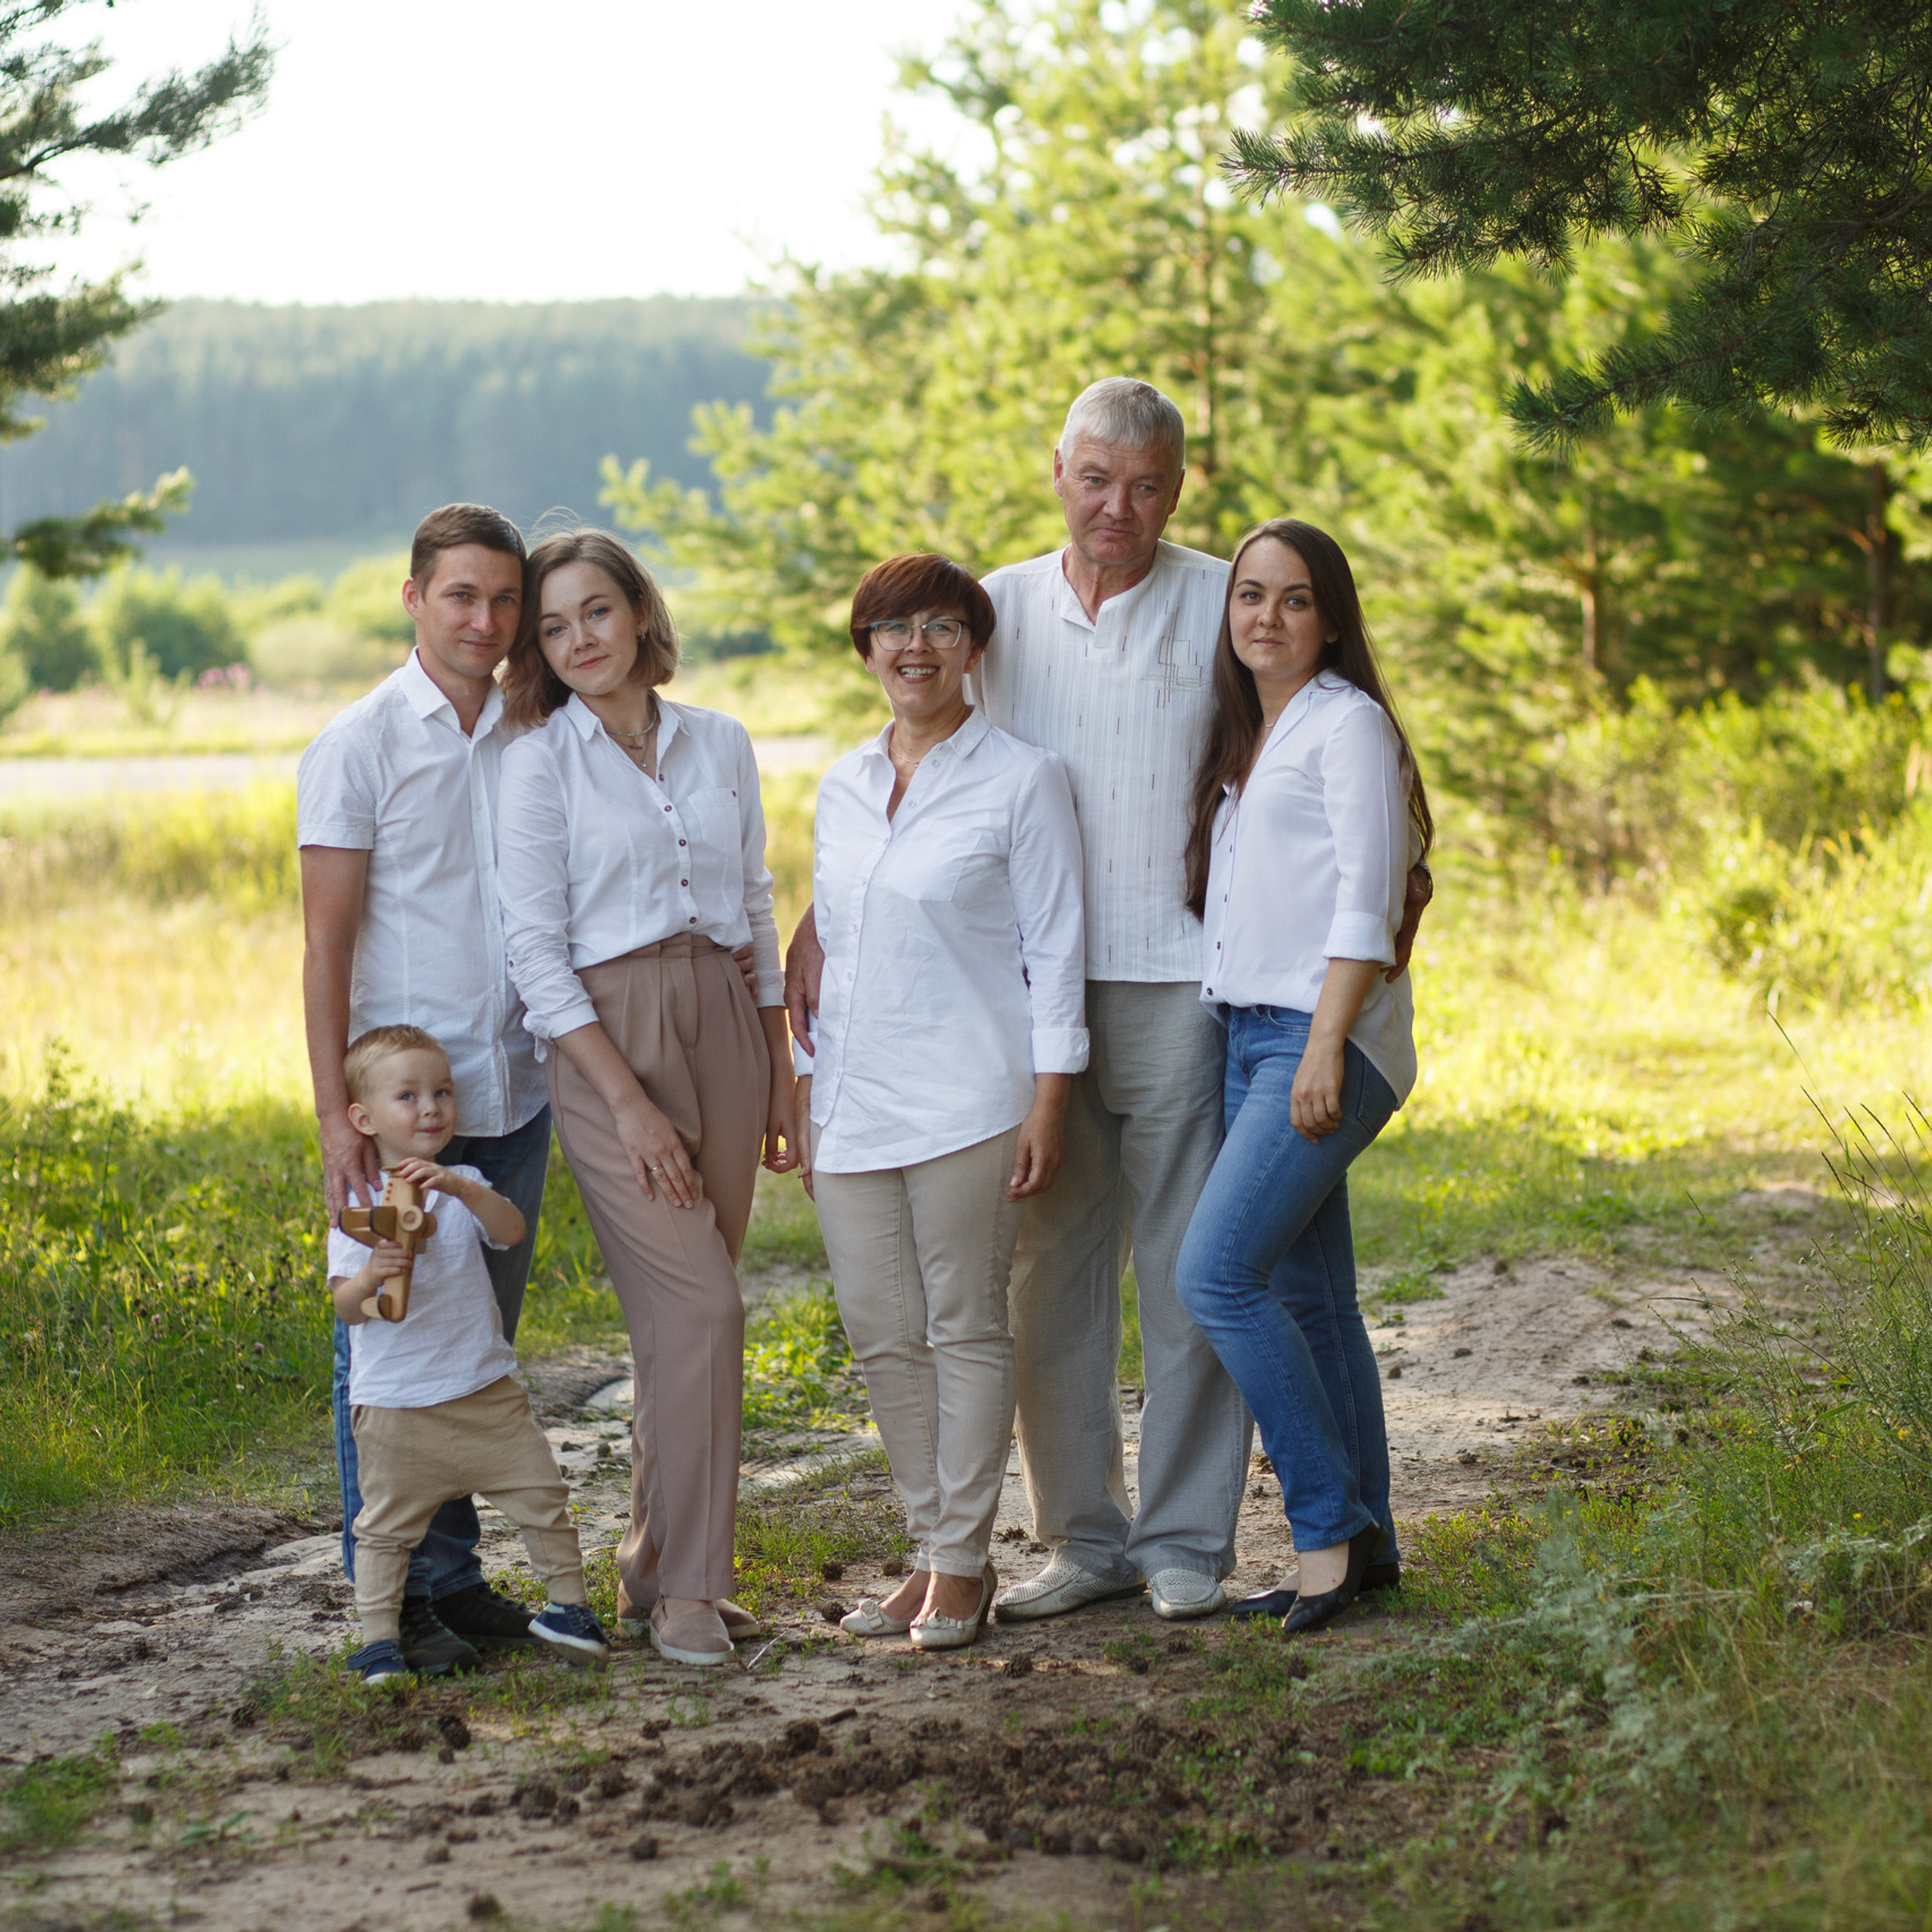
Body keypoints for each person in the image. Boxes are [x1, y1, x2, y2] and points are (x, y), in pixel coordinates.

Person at [495, 526, 800, 1670]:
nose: (579, 640)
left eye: (597, 613)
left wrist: (778, 1067)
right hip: (606, 1041)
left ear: (639, 613)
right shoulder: (538, 763)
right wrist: (626, 1106)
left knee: (686, 1328)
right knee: (705, 1312)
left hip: (721, 1018)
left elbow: (758, 907)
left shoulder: (720, 742)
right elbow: (537, 954)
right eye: (554, 625)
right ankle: (688, 1593)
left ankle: (650, 1569)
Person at [798, 553, 1088, 1651]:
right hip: (855, 1098)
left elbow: (1056, 950)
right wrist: (804, 1074)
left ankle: (964, 1565)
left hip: (973, 1093)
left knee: (963, 1325)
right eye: (891, 628)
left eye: (939, 626)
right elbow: (830, 938)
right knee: (880, 1333)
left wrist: (1050, 1098)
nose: (913, 646)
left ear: (974, 646)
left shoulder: (1024, 779)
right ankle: (931, 1550)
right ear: (866, 648)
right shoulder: (841, 784)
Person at [298, 503, 554, 1675]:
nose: (486, 621)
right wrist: (333, 1122)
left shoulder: (530, 728)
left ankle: (452, 1580)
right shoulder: (357, 744)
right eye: (462, 595)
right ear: (414, 597)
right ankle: (387, 1602)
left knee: (471, 1344)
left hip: (510, 1093)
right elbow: (326, 945)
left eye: (505, 600)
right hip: (400, 1109)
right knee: (387, 1355)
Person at [1174, 519, 1432, 1635]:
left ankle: (1324, 1533)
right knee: (1312, 1299)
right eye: (1248, 597)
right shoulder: (1253, 738)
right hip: (1250, 1033)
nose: (1265, 618)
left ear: (1329, 618)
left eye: (1291, 599)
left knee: (1217, 1273)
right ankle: (1366, 1541)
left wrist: (1323, 1044)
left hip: (1319, 1038)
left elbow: (1368, 904)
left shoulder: (1348, 726)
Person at [328, 1025, 610, 1681]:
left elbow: (511, 1230)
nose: (431, 1108)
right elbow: (347, 1306)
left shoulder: (465, 1181)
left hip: (484, 1391)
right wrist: (374, 1273)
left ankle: (569, 1608)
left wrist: (463, 1191)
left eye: (442, 1092)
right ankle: (379, 1639)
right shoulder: (358, 1207)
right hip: (398, 1407)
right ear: (363, 1119)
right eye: (408, 1096)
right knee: (386, 1531)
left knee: (543, 1497)